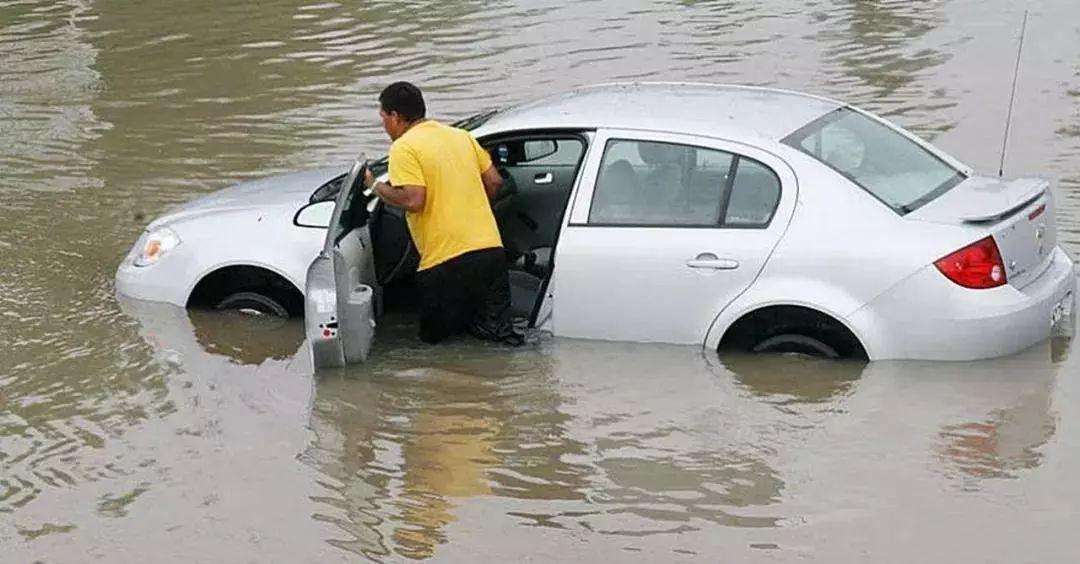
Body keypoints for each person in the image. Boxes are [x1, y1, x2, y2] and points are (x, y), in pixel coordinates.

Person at [364, 81, 523, 346]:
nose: (383, 126)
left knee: (439, 348)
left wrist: (375, 186)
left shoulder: (404, 147)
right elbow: (495, 182)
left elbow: (414, 199)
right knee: (500, 338)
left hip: (445, 262)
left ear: (395, 116)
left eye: (383, 117)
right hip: (490, 252)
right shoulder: (461, 137)